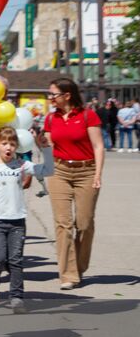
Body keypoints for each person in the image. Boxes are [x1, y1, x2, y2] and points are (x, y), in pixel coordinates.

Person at [0, 126, 54, 312]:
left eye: (12, 144)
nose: (8, 147)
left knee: (16, 261)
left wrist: (45, 149)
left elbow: (47, 170)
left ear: (17, 147)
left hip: (17, 221)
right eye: (4, 143)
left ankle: (17, 297)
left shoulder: (21, 165)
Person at [43, 77, 105, 289]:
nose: (50, 98)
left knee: (85, 224)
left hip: (86, 172)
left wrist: (98, 174)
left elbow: (98, 146)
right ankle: (68, 275)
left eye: (53, 94)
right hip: (59, 172)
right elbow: (48, 147)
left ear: (67, 95)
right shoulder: (51, 119)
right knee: (63, 224)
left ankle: (79, 266)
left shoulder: (88, 115)